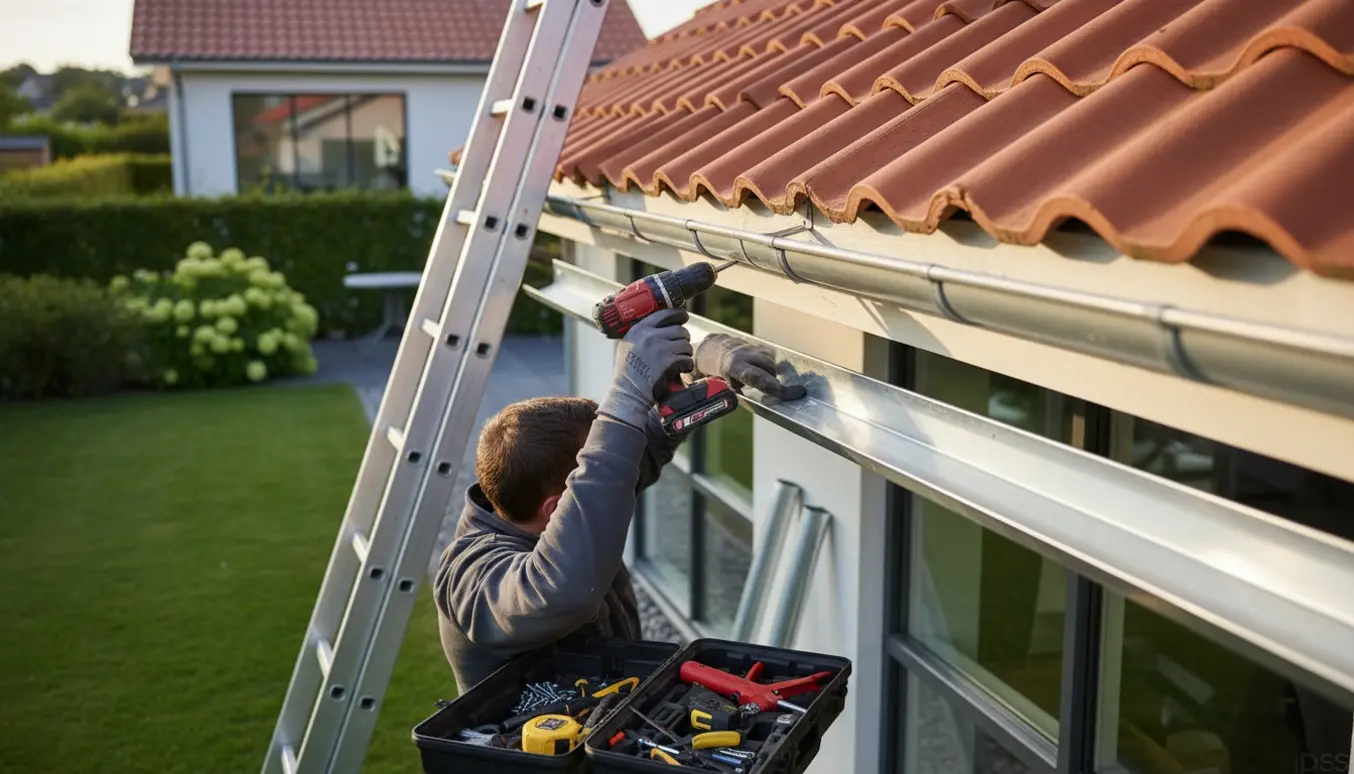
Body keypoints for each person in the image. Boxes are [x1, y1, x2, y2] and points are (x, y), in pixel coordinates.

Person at [434, 308, 801, 690]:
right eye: (590, 462)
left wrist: (698, 369)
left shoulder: (543, 507)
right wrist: (626, 395)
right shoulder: (470, 576)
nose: (603, 467)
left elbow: (626, 462)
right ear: (556, 507)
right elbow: (557, 590)